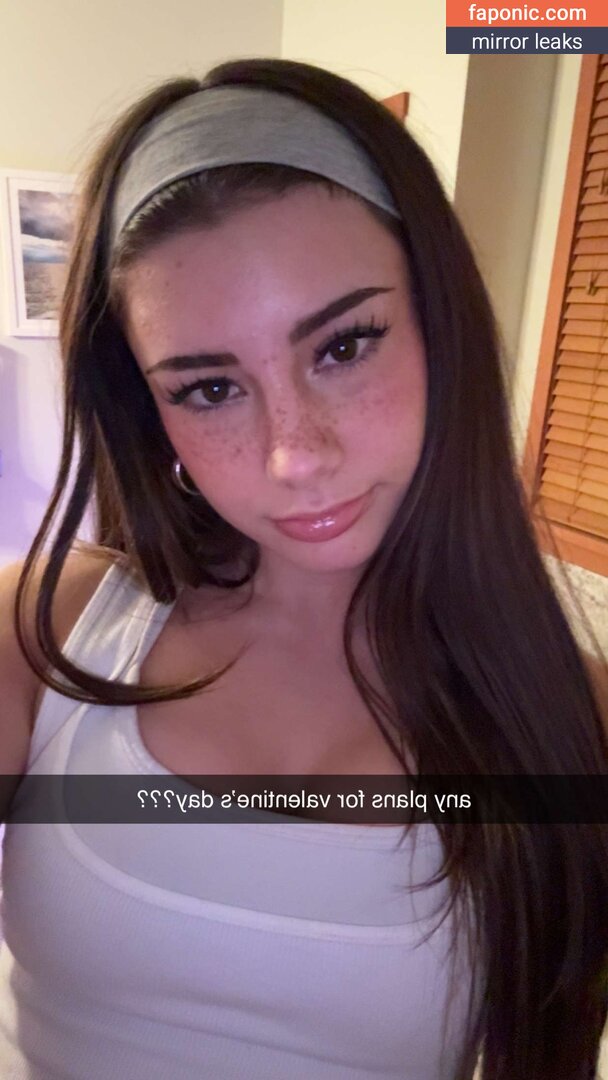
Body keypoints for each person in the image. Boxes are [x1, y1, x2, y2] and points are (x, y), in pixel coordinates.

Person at [0, 56, 606, 1080]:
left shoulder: (573, 719)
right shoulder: (47, 632)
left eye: (344, 346)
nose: (294, 455)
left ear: (439, 322)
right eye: (208, 389)